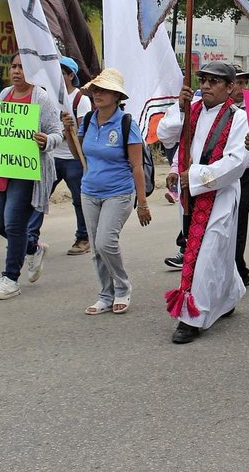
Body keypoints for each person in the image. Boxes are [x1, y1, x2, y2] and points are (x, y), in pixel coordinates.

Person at [157, 61, 249, 344]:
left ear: (230, 87)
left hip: (220, 194)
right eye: (203, 80)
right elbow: (166, 136)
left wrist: (195, 176)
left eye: (214, 81)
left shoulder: (239, 118)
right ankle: (230, 293)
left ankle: (191, 317)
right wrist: (180, 108)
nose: (206, 85)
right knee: (209, 251)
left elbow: (237, 161)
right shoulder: (192, 109)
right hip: (190, 194)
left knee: (209, 252)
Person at [0, 54, 64, 300]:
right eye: (13, 66)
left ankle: (10, 278)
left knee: (13, 223)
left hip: (27, 172)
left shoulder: (41, 98)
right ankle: (32, 247)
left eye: (22, 67)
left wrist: (46, 140)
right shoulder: (4, 95)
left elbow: (57, 132)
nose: (16, 71)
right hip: (2, 169)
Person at [76, 68, 151, 315]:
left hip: (119, 192)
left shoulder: (127, 124)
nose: (98, 94)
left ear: (117, 96)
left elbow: (137, 166)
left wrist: (142, 203)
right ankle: (105, 295)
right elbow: (81, 153)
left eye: (104, 90)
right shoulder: (88, 120)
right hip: (89, 192)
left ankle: (122, 288)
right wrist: (68, 131)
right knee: (96, 249)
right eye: (96, 90)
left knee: (105, 242)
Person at [27, 57, 92, 256]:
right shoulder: (47, 98)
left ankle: (83, 237)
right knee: (39, 196)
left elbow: (83, 131)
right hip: (51, 157)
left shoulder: (80, 100)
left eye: (61, 73)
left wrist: (62, 132)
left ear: (71, 75)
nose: (56, 77)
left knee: (79, 199)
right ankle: (30, 238)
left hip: (73, 159)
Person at [231, 65, 249, 287]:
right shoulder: (213, 109)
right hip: (220, 172)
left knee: (239, 219)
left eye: (245, 83)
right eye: (239, 83)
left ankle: (238, 267)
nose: (243, 88)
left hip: (247, 172)